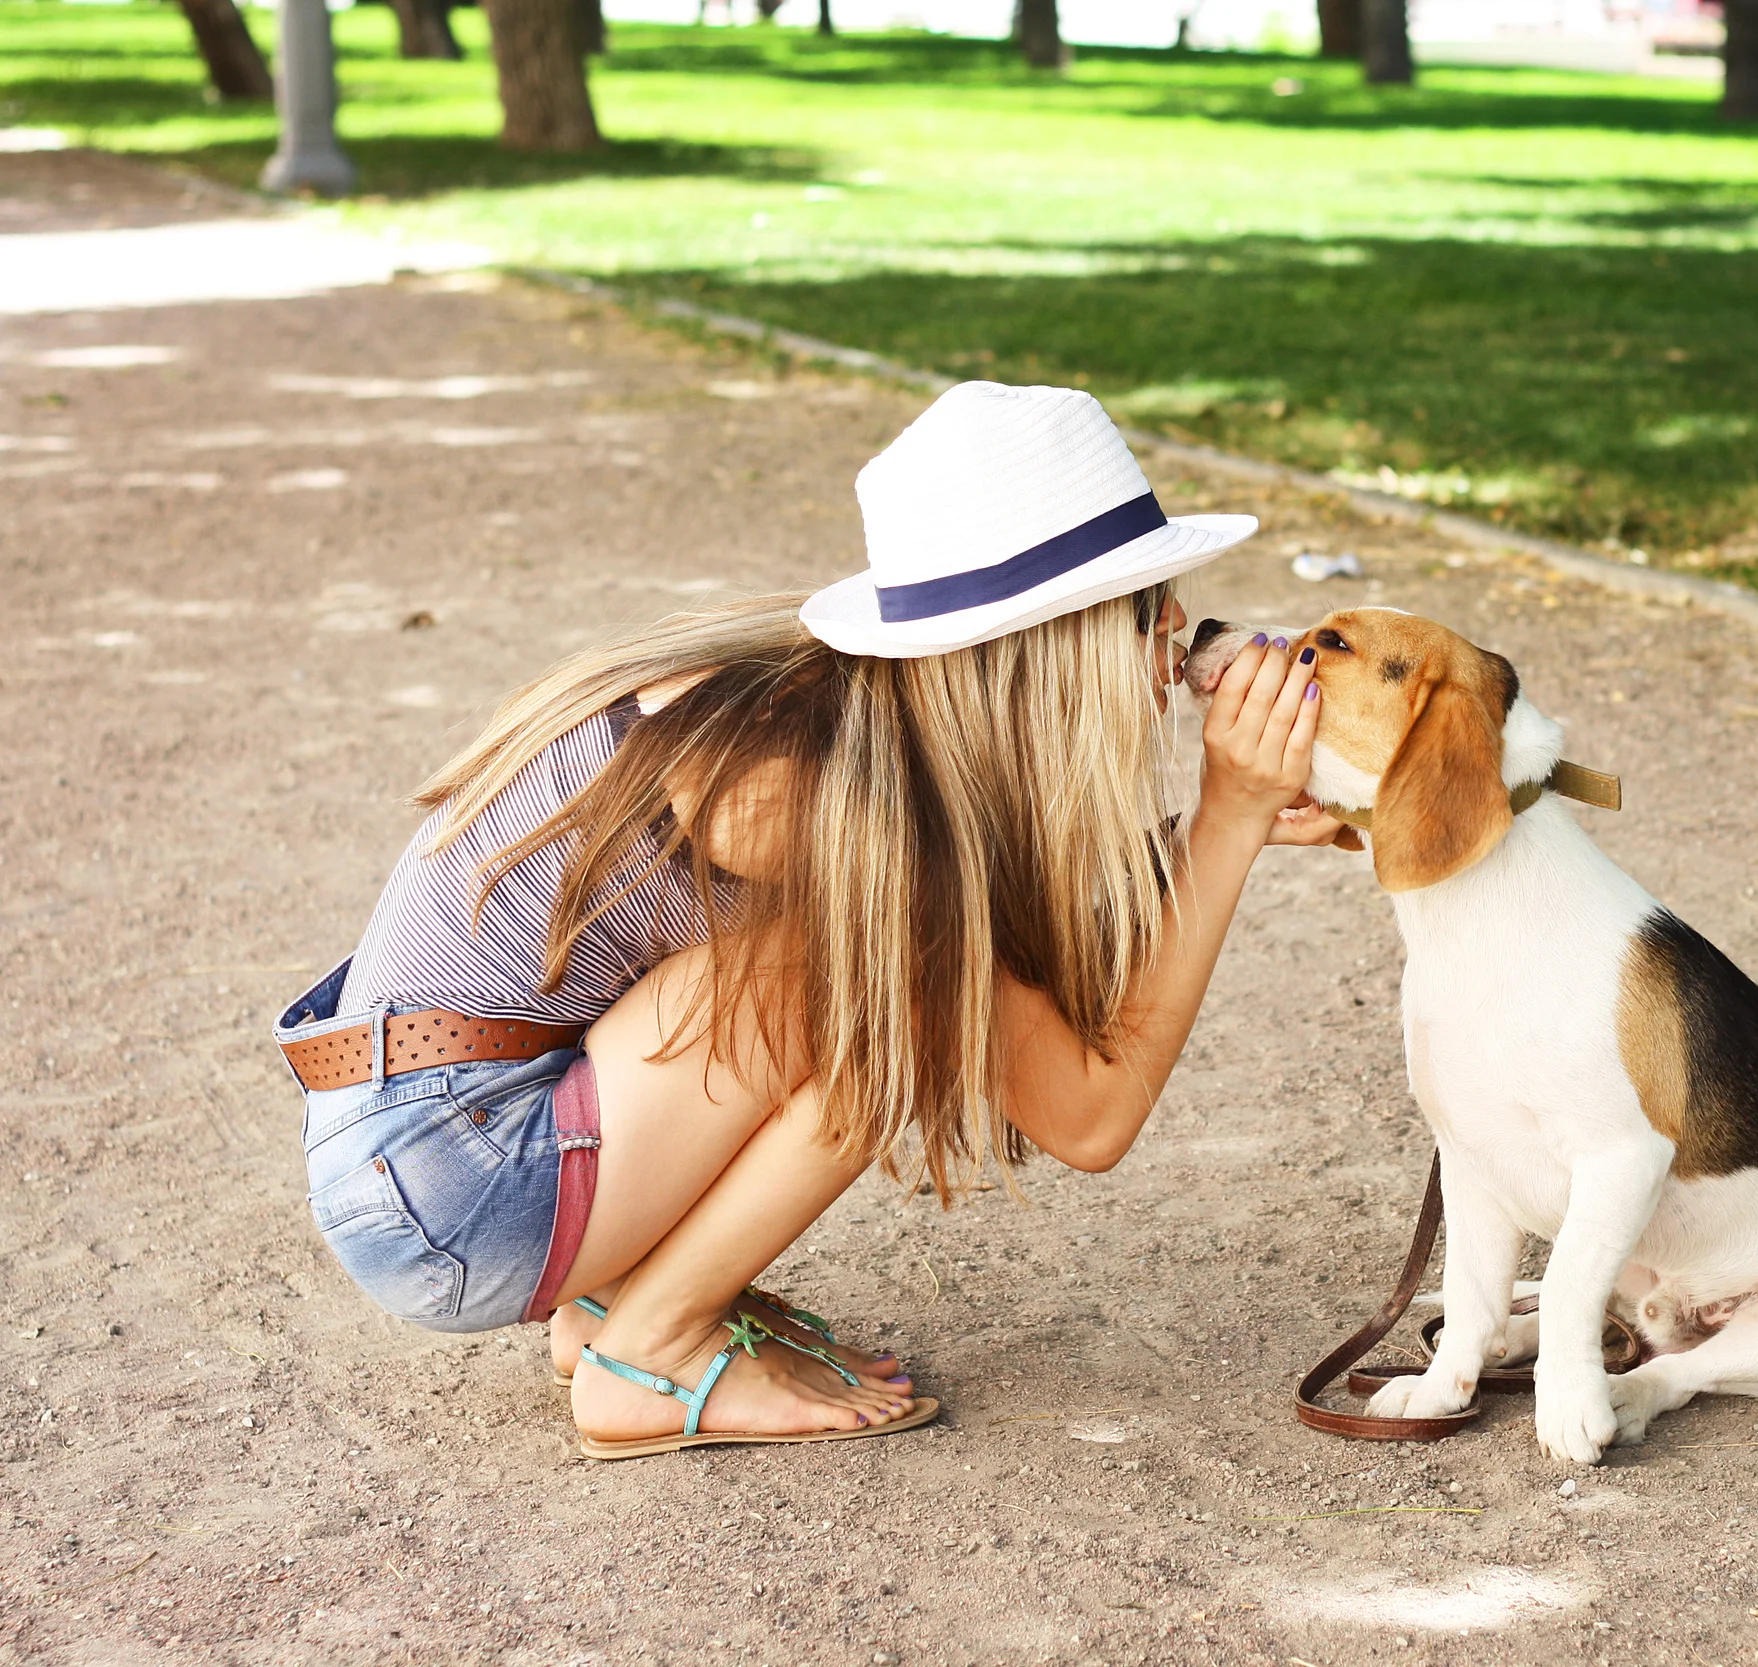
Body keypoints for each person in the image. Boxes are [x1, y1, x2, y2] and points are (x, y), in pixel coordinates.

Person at [272, 383, 1341, 1458]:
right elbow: (1091, 1114)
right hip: (450, 1193)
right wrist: (1224, 820)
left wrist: (1184, 839)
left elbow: (995, 908)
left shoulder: (821, 712)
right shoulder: (800, 791)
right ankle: (653, 1347)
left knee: (877, 954)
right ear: (1046, 646)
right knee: (870, 981)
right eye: (1142, 604)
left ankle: (619, 1296)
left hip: (441, 1140)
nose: (1176, 632)